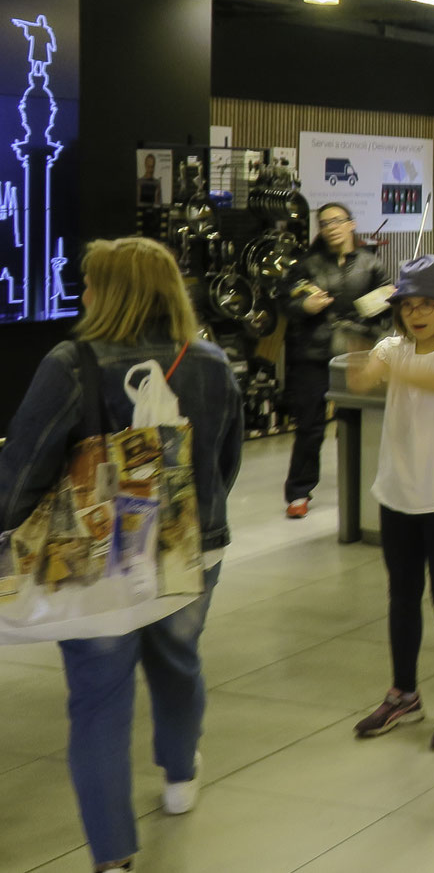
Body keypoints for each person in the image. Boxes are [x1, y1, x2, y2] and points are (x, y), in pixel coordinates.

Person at [0, 239, 242, 873]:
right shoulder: (213, 361)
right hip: (190, 550)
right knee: (178, 660)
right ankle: (181, 776)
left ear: (108, 290)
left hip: (96, 559)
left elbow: (25, 464)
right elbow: (225, 462)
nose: (81, 288)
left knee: (98, 699)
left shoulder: (72, 363)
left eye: (88, 279)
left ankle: (113, 855)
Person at [348, 255, 434, 751]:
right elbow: (361, 380)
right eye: (408, 304)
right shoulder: (390, 347)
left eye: (429, 303)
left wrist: (392, 369)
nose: (417, 313)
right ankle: (403, 693)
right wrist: (355, 349)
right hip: (399, 490)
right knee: (402, 594)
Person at [282, 203, 393, 517]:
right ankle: (298, 493)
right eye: (325, 223)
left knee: (360, 422)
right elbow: (285, 302)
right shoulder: (306, 265)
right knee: (310, 425)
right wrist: (306, 306)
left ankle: (366, 486)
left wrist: (373, 327)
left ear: (351, 224)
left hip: (356, 353)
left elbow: (386, 311)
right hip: (313, 354)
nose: (331, 227)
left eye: (337, 221)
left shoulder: (371, 264)